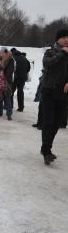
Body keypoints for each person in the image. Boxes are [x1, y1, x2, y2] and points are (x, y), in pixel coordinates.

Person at [40, 29, 68, 165]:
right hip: (49, 91)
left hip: (63, 93)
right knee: (48, 122)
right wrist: (62, 53)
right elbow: (48, 63)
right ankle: (46, 151)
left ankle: (46, 147)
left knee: (57, 123)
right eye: (63, 37)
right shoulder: (51, 51)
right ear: (58, 39)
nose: (66, 39)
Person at [0, 48, 15, 120]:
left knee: (7, 98)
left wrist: (2, 77)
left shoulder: (10, 60)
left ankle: (9, 114)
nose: (0, 54)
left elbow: (9, 71)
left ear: (5, 53)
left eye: (1, 53)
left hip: (7, 81)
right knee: (0, 97)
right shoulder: (0, 59)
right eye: (0, 53)